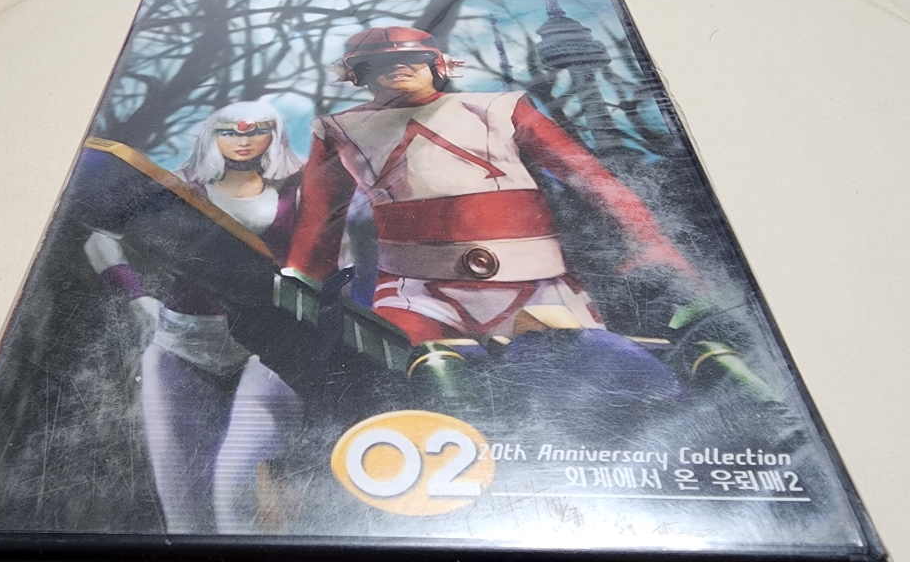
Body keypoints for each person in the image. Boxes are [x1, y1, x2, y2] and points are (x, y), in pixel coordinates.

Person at [286, 27, 698, 401]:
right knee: (414, 380)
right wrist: (301, 289)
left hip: (539, 285)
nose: (396, 68)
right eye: (377, 63)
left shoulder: (503, 106)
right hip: (417, 294)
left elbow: (591, 179)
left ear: (438, 64)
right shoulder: (338, 129)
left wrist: (651, 242)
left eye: (411, 58)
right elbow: (320, 220)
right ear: (357, 73)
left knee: (608, 381)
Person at [84, 101, 302, 534]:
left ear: (274, 135)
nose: (242, 140)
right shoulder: (179, 188)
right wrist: (135, 298)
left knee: (239, 495)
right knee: (184, 511)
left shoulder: (298, 193)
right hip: (181, 343)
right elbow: (100, 239)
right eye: (229, 131)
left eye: (255, 130)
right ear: (212, 136)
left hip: (267, 350)